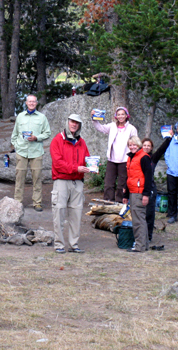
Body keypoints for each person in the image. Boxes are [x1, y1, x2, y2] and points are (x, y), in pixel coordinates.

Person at [50, 114, 90, 254]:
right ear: (67, 122)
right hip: (61, 180)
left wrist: (92, 165)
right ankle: (59, 245)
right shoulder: (57, 140)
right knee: (59, 213)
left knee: (76, 214)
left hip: (77, 182)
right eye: (72, 122)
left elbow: (87, 158)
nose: (74, 125)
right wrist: (76, 168)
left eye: (77, 123)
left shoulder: (81, 142)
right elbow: (58, 163)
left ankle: (74, 244)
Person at [11, 95, 51, 211]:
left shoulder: (42, 117)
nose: (32, 103)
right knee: (19, 177)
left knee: (37, 178)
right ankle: (17, 201)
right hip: (22, 151)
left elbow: (47, 133)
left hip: (36, 152)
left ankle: (37, 202)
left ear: (37, 103)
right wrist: (17, 146)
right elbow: (14, 134)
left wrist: (36, 137)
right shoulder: (20, 116)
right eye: (30, 101)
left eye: (34, 101)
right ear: (26, 103)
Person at [91, 107, 137, 203]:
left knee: (122, 184)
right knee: (108, 183)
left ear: (126, 115)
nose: (120, 116)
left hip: (124, 160)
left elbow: (135, 143)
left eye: (122, 114)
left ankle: (120, 204)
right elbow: (100, 128)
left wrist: (133, 158)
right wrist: (94, 118)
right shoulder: (112, 126)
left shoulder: (131, 128)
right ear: (116, 116)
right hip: (112, 160)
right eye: (118, 114)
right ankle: (108, 203)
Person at [122, 136, 153, 252]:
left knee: (138, 221)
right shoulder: (131, 157)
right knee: (139, 219)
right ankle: (143, 245)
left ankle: (139, 246)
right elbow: (129, 178)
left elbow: (148, 177)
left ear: (139, 145)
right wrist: (125, 195)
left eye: (134, 144)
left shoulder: (144, 158)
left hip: (139, 193)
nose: (132, 146)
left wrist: (146, 194)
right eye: (130, 145)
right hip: (133, 192)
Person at [141, 132, 172, 241]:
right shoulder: (137, 157)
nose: (146, 147)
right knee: (138, 213)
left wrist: (168, 139)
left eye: (148, 146)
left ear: (151, 148)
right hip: (138, 188)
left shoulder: (152, 158)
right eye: (144, 145)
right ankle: (137, 235)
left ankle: (148, 236)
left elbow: (161, 150)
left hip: (150, 188)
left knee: (149, 213)